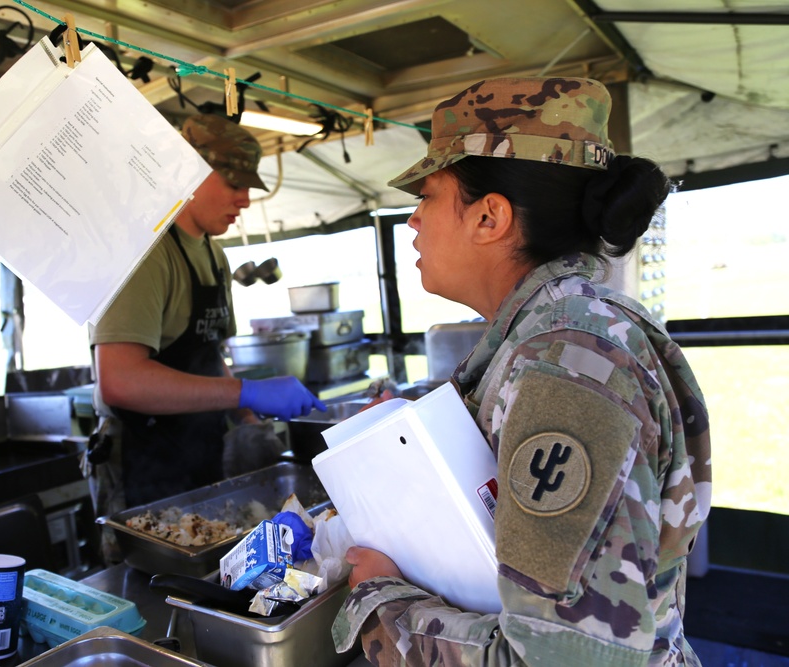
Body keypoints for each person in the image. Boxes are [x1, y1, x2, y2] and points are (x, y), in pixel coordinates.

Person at [333, 77, 711, 666]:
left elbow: (565, 660)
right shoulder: (551, 335)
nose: (411, 222)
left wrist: (379, 599)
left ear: (489, 217)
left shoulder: (567, 368)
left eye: (426, 196)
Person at [89, 114, 325, 511]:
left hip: (201, 455)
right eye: (234, 184)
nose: (246, 200)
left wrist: (249, 420)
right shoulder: (143, 252)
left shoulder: (215, 255)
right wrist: (246, 391)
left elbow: (209, 353)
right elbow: (120, 380)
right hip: (143, 468)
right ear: (185, 173)